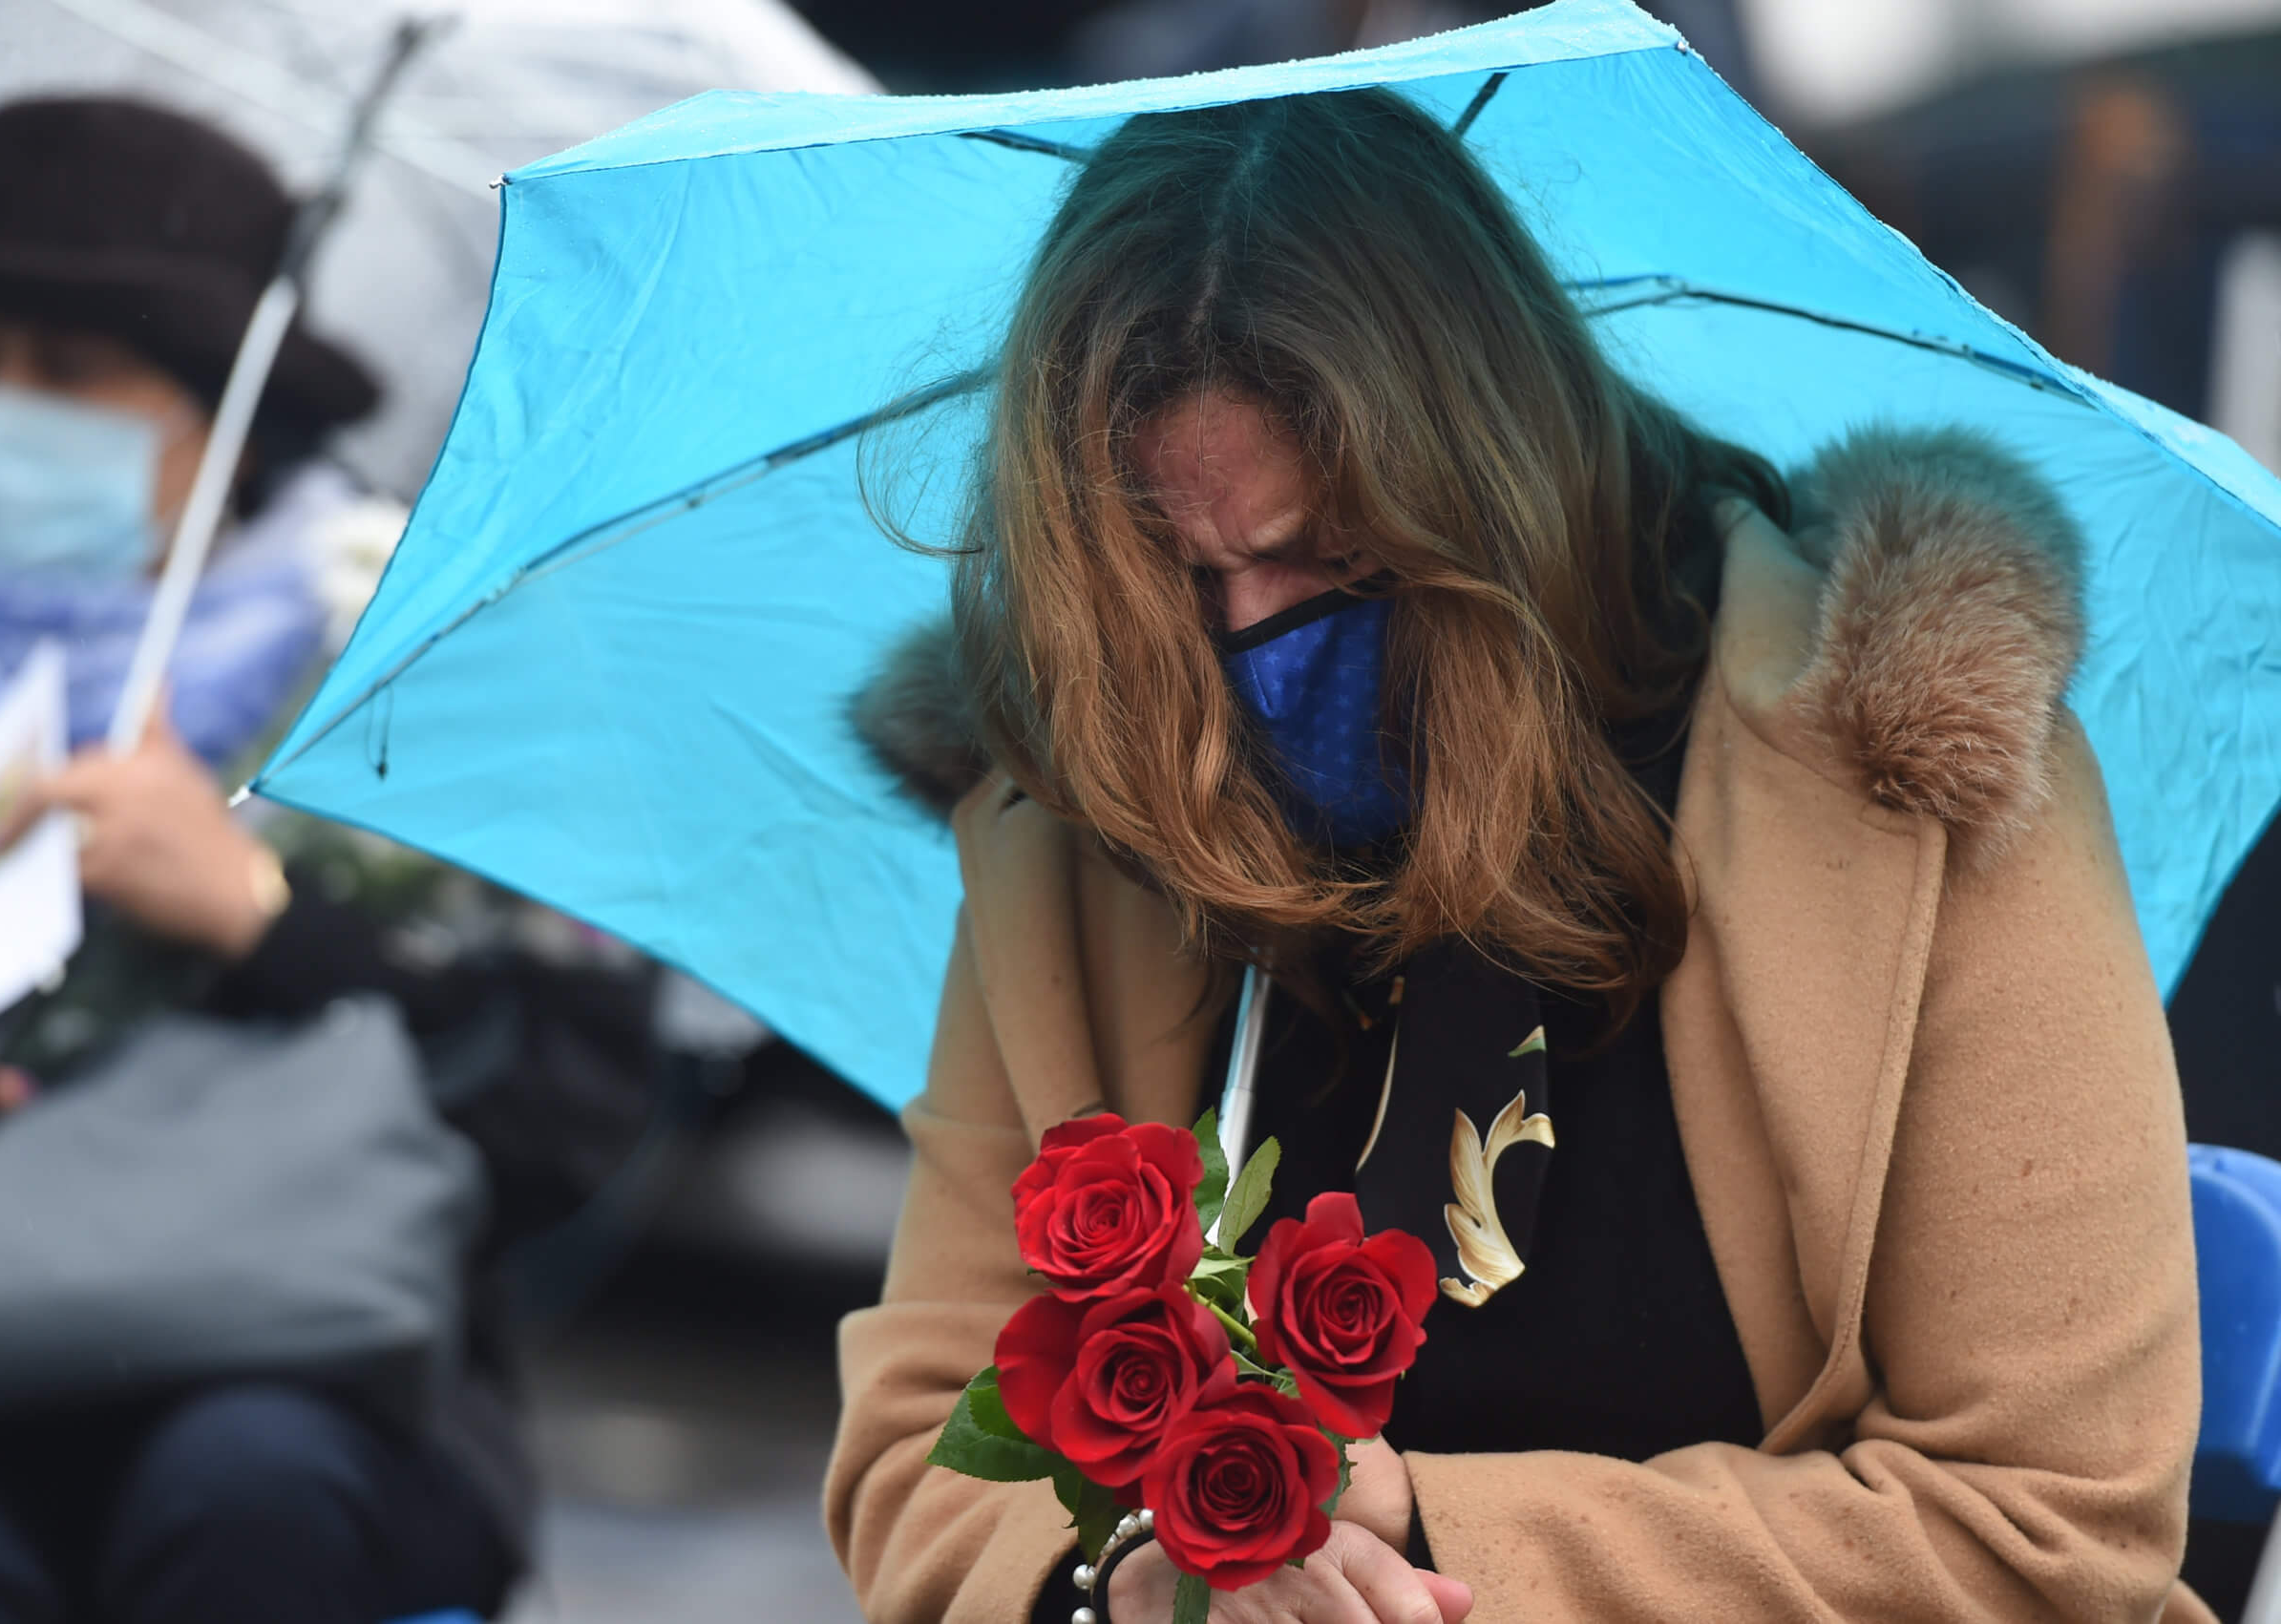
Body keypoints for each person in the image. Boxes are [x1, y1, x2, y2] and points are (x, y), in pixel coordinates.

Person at [825, 89, 2203, 1623]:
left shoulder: (1908, 778)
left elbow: (2048, 1527)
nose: (1248, 649)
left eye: (1328, 557)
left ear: (1494, 496)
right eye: (1176, 575)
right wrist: (1125, 1591)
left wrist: (1429, 1539)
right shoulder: (1081, 807)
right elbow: (917, 1449)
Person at [0, 97, 531, 1624]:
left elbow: (558, 1105)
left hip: (292, 1367)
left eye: (71, 375)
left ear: (229, 427)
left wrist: (256, 914)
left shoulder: (391, 665)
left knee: (253, 1490)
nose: (1, 408)